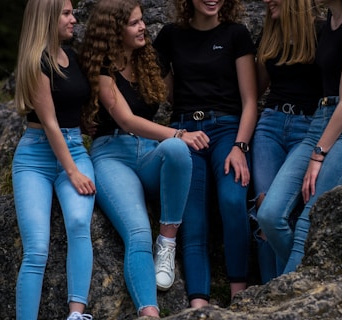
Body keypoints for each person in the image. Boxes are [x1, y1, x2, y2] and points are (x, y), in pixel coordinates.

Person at [78, 0, 209, 317]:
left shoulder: (148, 60)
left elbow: (180, 91)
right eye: (135, 23)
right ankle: (149, 313)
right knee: (136, 232)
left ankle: (166, 243)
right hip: (112, 156)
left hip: (149, 154)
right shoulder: (102, 69)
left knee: (177, 151)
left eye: (143, 21)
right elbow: (125, 120)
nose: (143, 28)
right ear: (114, 31)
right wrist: (178, 133)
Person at [251, 0, 342, 283]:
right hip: (320, 120)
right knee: (269, 215)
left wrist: (318, 155)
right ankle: (293, 288)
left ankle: (282, 303)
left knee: (308, 219)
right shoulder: (330, 22)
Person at [153, 0, 258, 308]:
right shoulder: (170, 36)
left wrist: (240, 147)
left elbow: (250, 101)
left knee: (231, 199)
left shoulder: (236, 34)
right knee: (193, 217)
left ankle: (239, 293)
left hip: (227, 129)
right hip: (186, 133)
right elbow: (153, 77)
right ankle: (199, 303)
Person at [12, 0, 96, 319]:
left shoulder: (71, 56)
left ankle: (76, 314)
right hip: (35, 156)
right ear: (47, 18)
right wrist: (72, 172)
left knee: (78, 223)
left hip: (74, 146)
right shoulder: (37, 61)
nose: (74, 19)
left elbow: (75, 106)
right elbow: (49, 123)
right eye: (66, 13)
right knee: (36, 249)